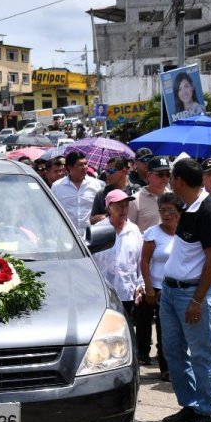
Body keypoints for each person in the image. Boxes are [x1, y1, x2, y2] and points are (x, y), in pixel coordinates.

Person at [159, 158, 211, 422]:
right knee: (173, 351)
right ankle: (189, 404)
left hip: (191, 293)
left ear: (180, 181)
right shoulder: (186, 207)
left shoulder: (210, 210)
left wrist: (198, 300)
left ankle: (206, 412)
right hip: (171, 291)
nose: (168, 181)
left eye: (171, 176)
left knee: (201, 354)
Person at [139, 193, 181, 380]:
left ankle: (180, 364)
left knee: (179, 329)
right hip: (157, 288)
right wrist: (148, 288)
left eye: (170, 210)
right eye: (162, 210)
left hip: (180, 287)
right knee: (164, 329)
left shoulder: (185, 233)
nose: (166, 214)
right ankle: (166, 367)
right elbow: (145, 262)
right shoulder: (152, 233)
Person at [92, 190, 143, 318]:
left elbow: (140, 260)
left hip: (127, 292)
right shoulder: (97, 230)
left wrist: (140, 284)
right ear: (108, 208)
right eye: (119, 205)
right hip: (103, 293)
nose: (123, 209)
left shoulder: (134, 230)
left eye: (126, 205)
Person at [51, 150, 104, 234]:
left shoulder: (97, 185)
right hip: (66, 235)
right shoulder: (57, 187)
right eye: (80, 165)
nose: (85, 167)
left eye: (85, 164)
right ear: (69, 167)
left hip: (92, 235)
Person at [89, 156, 134, 225]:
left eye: (111, 171)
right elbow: (92, 220)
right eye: (106, 171)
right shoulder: (102, 193)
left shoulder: (135, 191)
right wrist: (107, 217)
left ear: (124, 171)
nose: (107, 174)